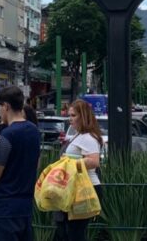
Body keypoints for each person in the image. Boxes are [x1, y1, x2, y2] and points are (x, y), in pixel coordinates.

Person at [0, 86, 40, 241]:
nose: (0, 112)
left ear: (6, 106)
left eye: (0, 108)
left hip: (5, 206)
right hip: (26, 205)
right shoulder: (34, 131)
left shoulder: (8, 134)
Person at [56, 100, 103, 241]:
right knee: (68, 231)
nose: (70, 118)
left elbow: (94, 161)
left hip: (84, 189)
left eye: (74, 115)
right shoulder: (79, 135)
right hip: (76, 188)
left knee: (75, 232)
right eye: (69, 115)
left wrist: (69, 163)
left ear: (83, 116)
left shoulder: (88, 137)